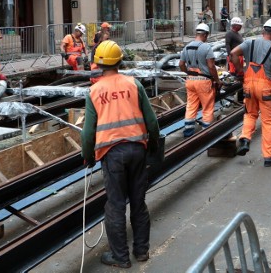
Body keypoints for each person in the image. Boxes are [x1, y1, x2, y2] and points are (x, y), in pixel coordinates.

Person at [80, 40, 160, 269]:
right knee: (138, 202)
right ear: (120, 61)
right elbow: (152, 121)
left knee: (115, 205)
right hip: (137, 149)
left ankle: (121, 257)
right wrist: (152, 144)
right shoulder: (134, 84)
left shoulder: (94, 91)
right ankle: (141, 251)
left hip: (112, 154)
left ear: (98, 64)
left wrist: (88, 156)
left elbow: (88, 132)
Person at [229, 19, 271, 166]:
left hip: (248, 85)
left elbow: (233, 53)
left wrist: (240, 71)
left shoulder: (250, 43)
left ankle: (245, 138)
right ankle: (269, 157)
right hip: (265, 88)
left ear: (263, 32)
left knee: (250, 114)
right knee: (267, 121)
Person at [179, 23, 221, 137]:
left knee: (191, 106)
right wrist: (217, 80)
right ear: (206, 35)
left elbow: (181, 64)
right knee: (207, 107)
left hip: (190, 80)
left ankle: (188, 133)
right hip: (203, 81)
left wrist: (188, 72)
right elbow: (211, 66)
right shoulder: (206, 47)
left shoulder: (186, 47)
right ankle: (205, 133)